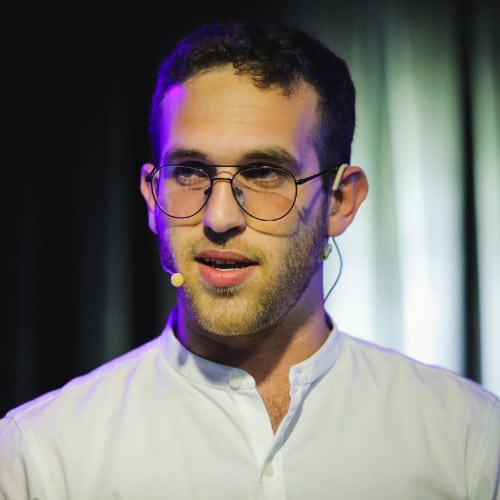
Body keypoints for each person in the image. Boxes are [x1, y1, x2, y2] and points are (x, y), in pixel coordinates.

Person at [1, 18, 499, 500]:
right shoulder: (43, 457)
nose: (219, 217)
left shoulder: (468, 442)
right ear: (153, 198)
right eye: (190, 171)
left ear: (341, 201)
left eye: (263, 172)